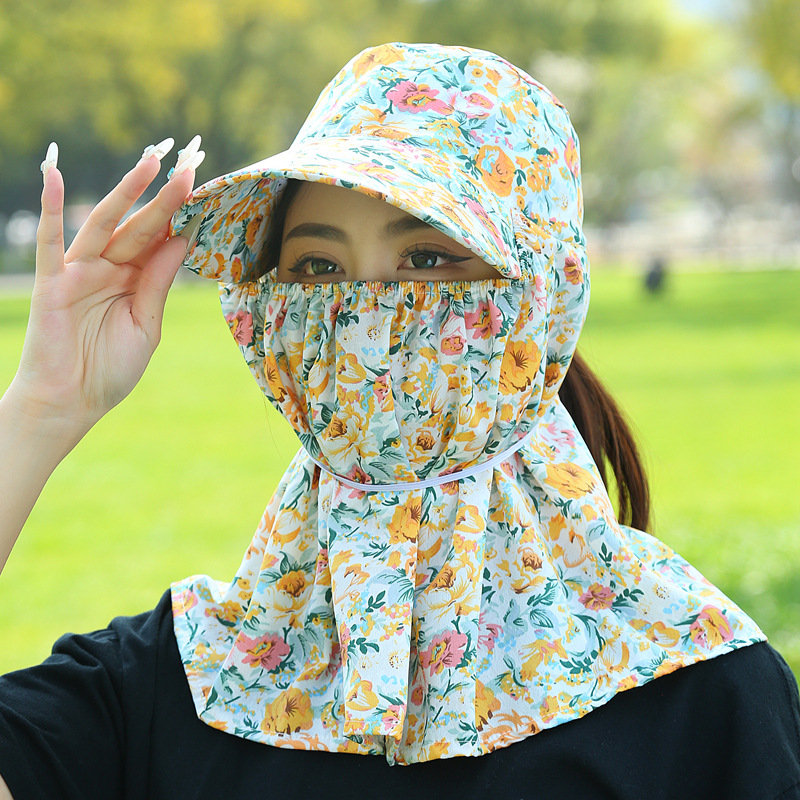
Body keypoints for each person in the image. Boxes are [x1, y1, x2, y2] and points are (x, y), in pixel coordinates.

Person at [0, 42, 798, 799]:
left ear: (542, 297)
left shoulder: (697, 692)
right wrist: (41, 408)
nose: (366, 321)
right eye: (319, 267)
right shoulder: (183, 683)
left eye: (426, 258)